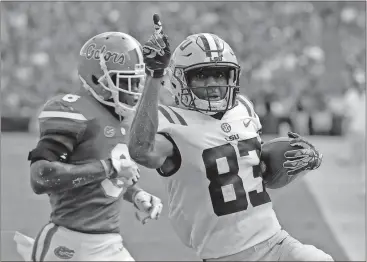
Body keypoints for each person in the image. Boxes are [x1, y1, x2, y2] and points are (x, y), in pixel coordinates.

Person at [128, 15, 333, 261]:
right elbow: (141, 151)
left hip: (276, 240)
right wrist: (154, 75)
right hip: (225, 255)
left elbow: (255, 168)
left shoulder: (243, 108)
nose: (214, 83)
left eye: (220, 74)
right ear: (180, 79)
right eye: (202, 75)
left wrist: (295, 161)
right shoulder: (174, 123)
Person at [15, 32, 163, 261]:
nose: (132, 90)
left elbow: (104, 179)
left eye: (135, 82)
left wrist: (135, 194)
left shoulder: (122, 117)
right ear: (96, 78)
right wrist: (108, 168)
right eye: (124, 81)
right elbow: (41, 177)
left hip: (110, 243)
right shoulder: (72, 110)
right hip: (68, 244)